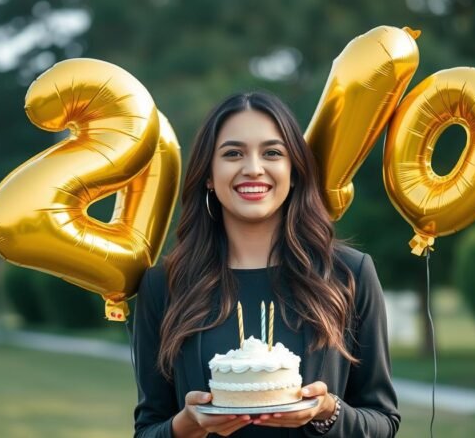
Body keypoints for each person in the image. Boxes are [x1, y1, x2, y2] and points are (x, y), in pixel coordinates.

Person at [132, 92, 400, 437]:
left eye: (272, 153)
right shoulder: (163, 285)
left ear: (294, 171)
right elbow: (147, 429)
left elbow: (383, 423)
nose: (253, 168)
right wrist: (186, 425)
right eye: (233, 154)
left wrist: (327, 411)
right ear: (208, 176)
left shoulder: (348, 274)